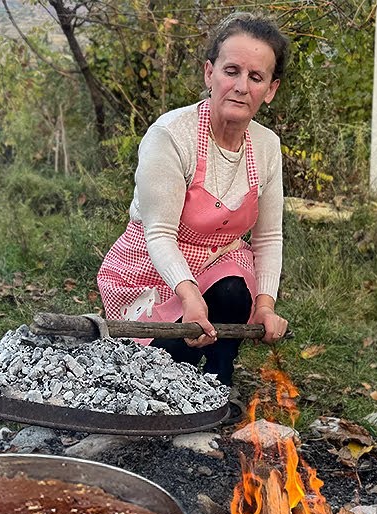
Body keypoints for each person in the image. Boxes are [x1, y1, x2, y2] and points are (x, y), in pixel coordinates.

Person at [97, 12, 290, 387]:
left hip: (218, 262)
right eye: (231, 71)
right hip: (152, 267)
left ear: (270, 90)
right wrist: (189, 298)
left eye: (255, 77)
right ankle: (167, 383)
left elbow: (267, 238)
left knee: (235, 291)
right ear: (209, 74)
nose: (240, 86)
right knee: (159, 365)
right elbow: (160, 234)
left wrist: (265, 307)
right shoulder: (171, 135)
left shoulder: (267, 147)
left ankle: (218, 385)